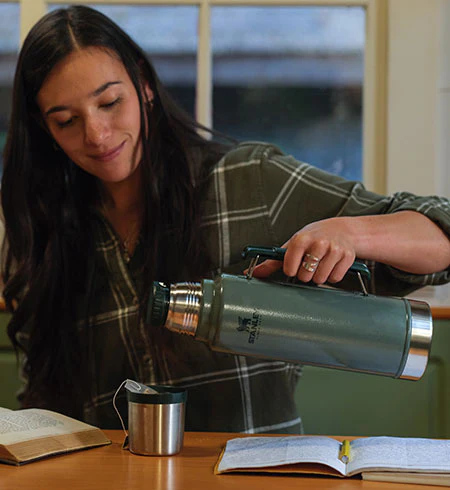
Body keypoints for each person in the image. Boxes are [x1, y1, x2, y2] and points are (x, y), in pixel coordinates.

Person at [2, 5, 450, 432]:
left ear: (145, 85)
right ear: (45, 129)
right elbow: (45, 407)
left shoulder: (248, 183)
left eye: (110, 102)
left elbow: (442, 233)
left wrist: (349, 231)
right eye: (66, 121)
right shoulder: (42, 233)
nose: (96, 135)